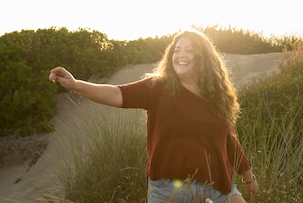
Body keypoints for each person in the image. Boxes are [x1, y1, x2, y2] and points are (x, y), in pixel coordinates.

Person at [48, 30, 258, 203]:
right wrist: (76, 85)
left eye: (189, 50)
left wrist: (248, 176)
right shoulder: (158, 88)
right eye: (177, 50)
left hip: (218, 189)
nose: (181, 55)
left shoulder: (218, 95)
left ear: (203, 58)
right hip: (168, 193)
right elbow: (116, 93)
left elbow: (228, 139)